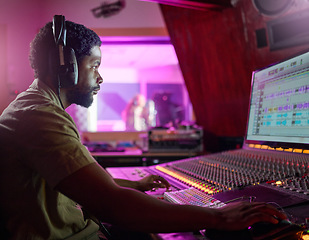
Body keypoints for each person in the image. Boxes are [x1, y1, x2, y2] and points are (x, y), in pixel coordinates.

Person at [0, 17, 286, 240]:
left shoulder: (36, 107)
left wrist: (133, 185)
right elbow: (113, 206)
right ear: (68, 67)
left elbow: (86, 185)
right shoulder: (39, 115)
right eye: (94, 65)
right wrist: (220, 217)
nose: (100, 78)